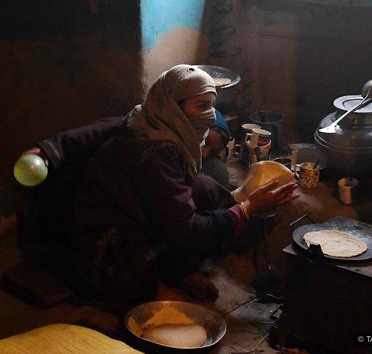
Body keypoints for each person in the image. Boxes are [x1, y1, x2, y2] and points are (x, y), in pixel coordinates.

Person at [18, 64, 298, 304]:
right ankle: (152, 290)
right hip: (103, 239)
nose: (210, 115)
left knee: (204, 190)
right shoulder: (154, 153)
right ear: (172, 106)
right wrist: (247, 208)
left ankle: (178, 270)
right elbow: (186, 229)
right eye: (201, 106)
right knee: (159, 239)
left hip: (137, 212)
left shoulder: (151, 121)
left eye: (212, 106)